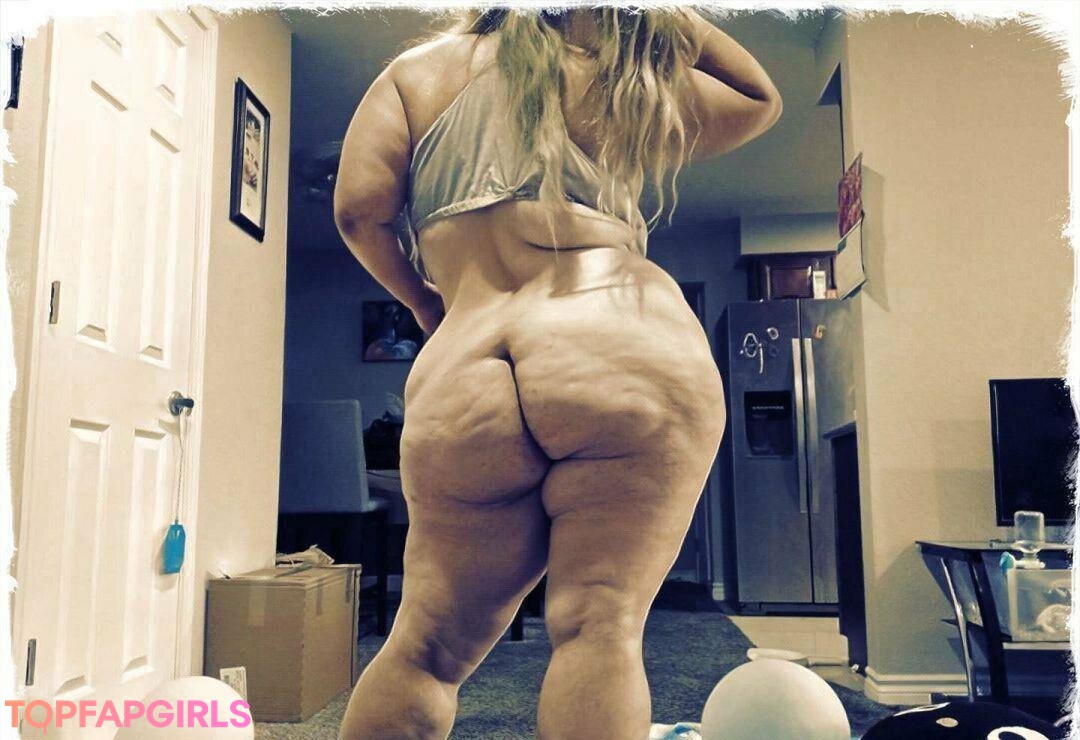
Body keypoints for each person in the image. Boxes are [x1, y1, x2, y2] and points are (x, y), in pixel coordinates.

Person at [333, 8, 782, 739]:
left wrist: (423, 302)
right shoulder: (609, 75)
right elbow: (757, 100)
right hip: (615, 338)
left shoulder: (414, 75)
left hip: (466, 363)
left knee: (425, 646)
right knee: (599, 623)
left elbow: (358, 213)